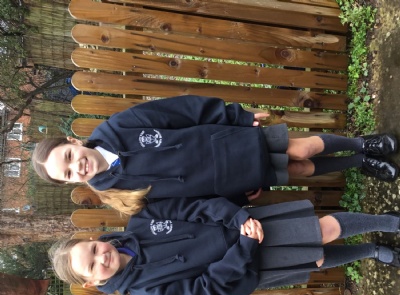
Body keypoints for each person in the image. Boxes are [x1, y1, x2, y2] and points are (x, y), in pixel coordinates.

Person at [33, 95, 398, 213]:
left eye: (68, 157)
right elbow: (183, 204)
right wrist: (235, 198)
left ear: (73, 143)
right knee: (299, 169)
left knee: (302, 148)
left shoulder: (119, 126)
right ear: (71, 182)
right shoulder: (115, 193)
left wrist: (235, 116)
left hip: (227, 142)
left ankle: (362, 144)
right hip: (228, 179)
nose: (76, 167)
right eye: (68, 174)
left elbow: (181, 111)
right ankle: (360, 163)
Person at [50, 196, 400, 295]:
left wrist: (238, 219)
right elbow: (207, 291)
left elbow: (194, 207)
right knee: (317, 258)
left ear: (95, 240)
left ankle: (389, 222)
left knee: (319, 230)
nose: (102, 257)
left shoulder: (141, 222)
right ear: (92, 282)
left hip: (244, 225)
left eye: (94, 249)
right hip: (246, 266)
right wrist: (244, 249)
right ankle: (370, 250)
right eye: (92, 265)